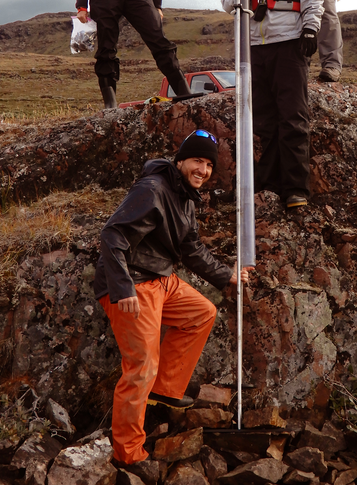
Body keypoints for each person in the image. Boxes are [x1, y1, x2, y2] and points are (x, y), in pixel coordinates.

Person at [95, 129, 251, 465]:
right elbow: (112, 234)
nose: (203, 170)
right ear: (180, 161)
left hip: (160, 279)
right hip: (134, 284)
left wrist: (226, 276)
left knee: (201, 312)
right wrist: (122, 289)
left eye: (209, 164)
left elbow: (191, 248)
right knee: (141, 368)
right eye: (197, 160)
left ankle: (165, 391)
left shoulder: (184, 197)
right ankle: (128, 454)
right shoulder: (151, 190)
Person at [222, 0, 323, 209]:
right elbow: (226, 2)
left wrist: (311, 28)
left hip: (289, 42)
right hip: (253, 48)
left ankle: (296, 190)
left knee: (293, 117)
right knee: (264, 120)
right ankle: (268, 185)